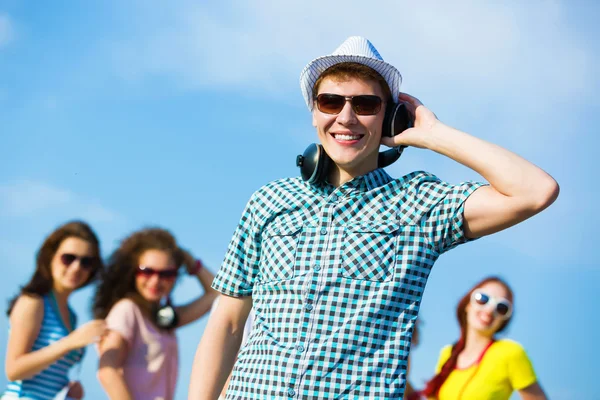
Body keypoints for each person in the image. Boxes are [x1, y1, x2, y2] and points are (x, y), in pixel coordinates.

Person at [188, 36, 559, 399]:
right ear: (314, 113)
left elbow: (535, 191)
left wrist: (433, 134)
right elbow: (228, 322)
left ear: (390, 118)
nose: (346, 117)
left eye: (365, 104)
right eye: (331, 101)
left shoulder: (418, 204)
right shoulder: (269, 201)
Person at [93, 227, 217, 400]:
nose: (155, 281)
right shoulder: (127, 310)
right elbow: (107, 370)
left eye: (167, 274)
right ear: (133, 272)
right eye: (147, 271)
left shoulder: (162, 318)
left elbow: (216, 295)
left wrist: (190, 262)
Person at [3, 221, 108, 400]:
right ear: (50, 256)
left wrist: (67, 389)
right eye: (68, 258)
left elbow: (47, 375)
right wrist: (70, 342)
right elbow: (14, 370)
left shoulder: (71, 316)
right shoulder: (33, 302)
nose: (76, 267)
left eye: (86, 262)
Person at [421, 277, 547, 400]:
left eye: (501, 308)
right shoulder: (447, 353)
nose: (489, 309)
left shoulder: (511, 353)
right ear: (468, 304)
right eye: (483, 299)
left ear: (504, 320)